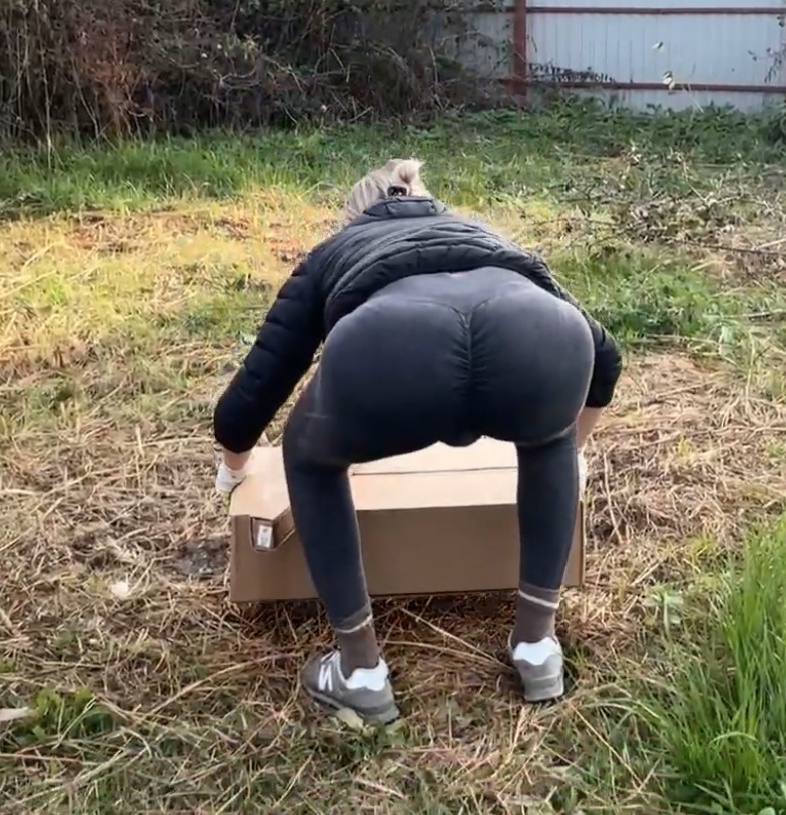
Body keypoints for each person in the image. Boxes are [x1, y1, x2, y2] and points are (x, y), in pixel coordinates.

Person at [213, 158, 623, 725]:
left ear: (356, 214)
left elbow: (257, 388)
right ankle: (538, 646)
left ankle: (360, 671)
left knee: (306, 453)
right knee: (548, 436)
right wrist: (570, 448)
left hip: (391, 347)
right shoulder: (485, 235)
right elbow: (604, 358)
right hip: (534, 328)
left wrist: (235, 471)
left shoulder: (334, 250)